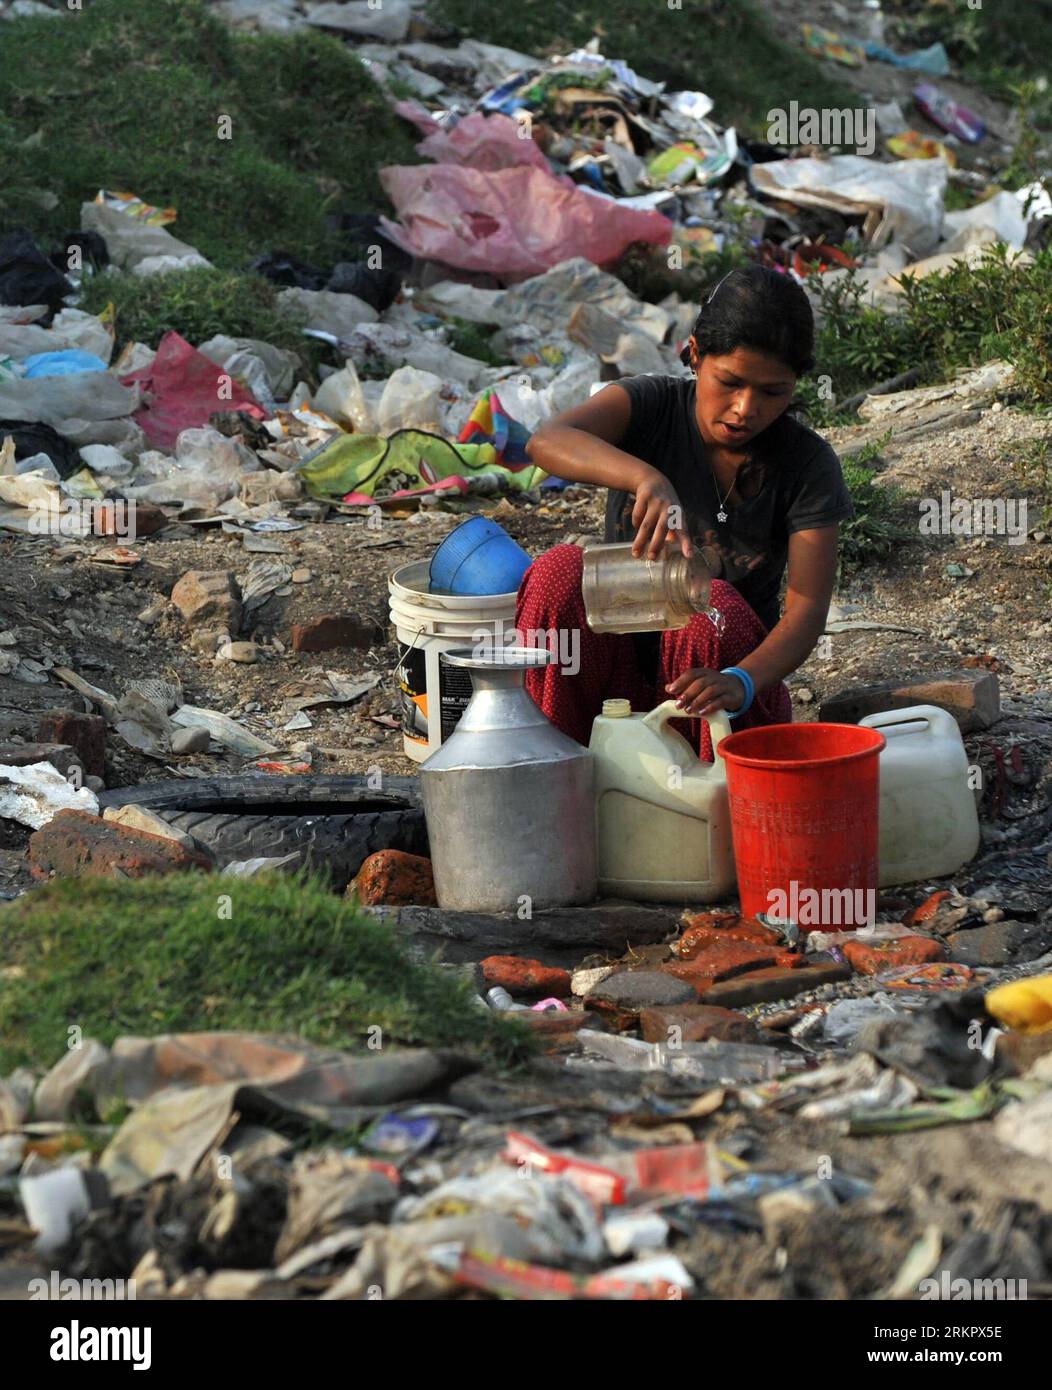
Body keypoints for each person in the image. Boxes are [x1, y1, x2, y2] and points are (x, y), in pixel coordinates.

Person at [518, 264, 853, 760]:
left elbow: (805, 611)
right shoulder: (651, 406)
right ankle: (552, 768)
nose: (744, 409)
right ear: (695, 354)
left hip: (718, 687)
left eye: (772, 392)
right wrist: (644, 478)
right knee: (559, 572)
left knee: (708, 607)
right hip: (612, 679)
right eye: (730, 382)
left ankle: (706, 814)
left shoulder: (807, 465)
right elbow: (547, 441)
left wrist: (743, 680)